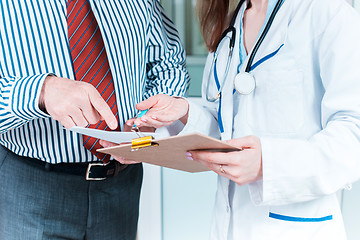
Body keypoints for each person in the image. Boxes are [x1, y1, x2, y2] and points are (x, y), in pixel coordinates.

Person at [112, 0, 360, 239]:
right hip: (229, 224)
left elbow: (354, 134)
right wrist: (183, 112)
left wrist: (268, 163)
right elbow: (226, 130)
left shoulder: (329, 14)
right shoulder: (231, 25)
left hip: (297, 228)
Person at [0, 0, 189, 239]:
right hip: (30, 188)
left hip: (122, 187)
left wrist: (151, 118)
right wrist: (41, 91)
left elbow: (167, 64)